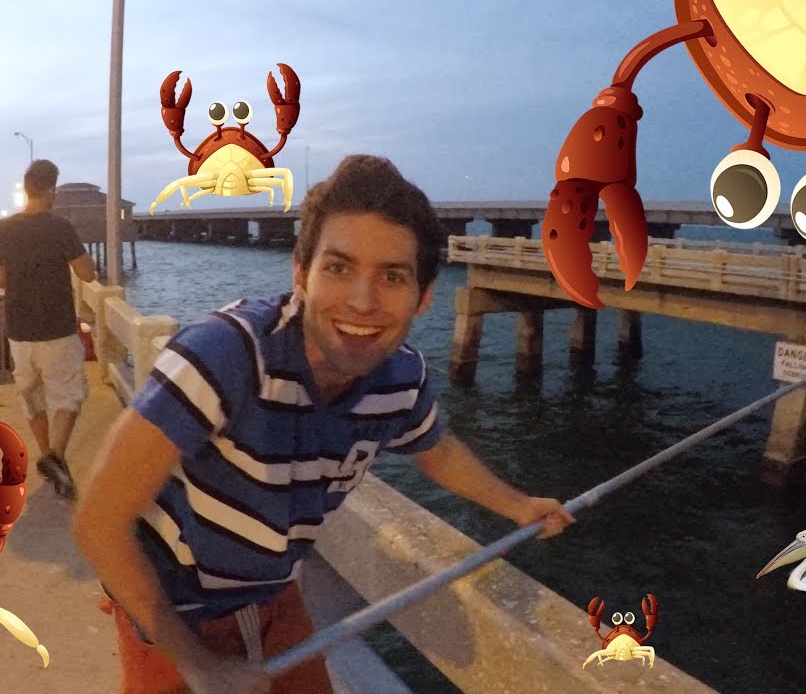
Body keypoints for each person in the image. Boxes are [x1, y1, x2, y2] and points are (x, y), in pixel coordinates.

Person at [72, 154, 577, 694]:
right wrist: (197, 664)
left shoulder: (400, 378)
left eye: (392, 276)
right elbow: (98, 522)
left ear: (424, 296)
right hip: (171, 607)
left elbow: (435, 448)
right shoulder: (225, 356)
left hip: (273, 592)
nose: (362, 302)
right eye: (338, 267)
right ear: (300, 273)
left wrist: (517, 506)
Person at [0, 159, 96, 500]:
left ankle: (51, 459)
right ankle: (54, 456)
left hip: (19, 330)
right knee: (69, 395)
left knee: (33, 397)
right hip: (57, 328)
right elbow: (87, 274)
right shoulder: (61, 227)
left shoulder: (2, 229)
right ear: (51, 191)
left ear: (26, 188)